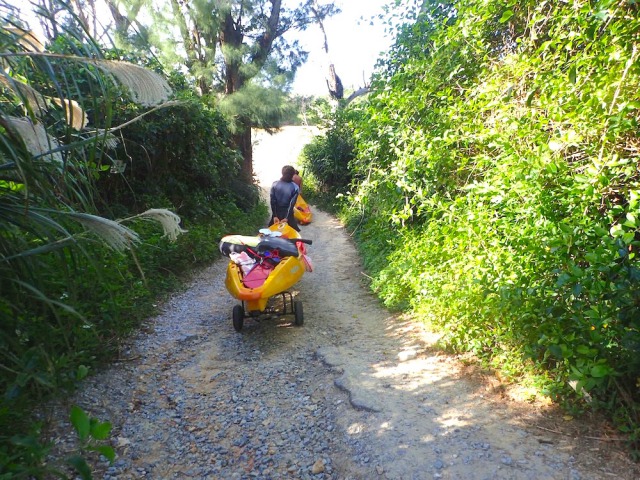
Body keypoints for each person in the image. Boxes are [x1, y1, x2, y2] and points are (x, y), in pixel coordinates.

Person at [269, 165, 300, 231]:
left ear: (282, 173)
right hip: (288, 214)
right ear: (293, 174)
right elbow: (291, 204)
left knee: (272, 234)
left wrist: (275, 216)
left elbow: (272, 201)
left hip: (276, 213)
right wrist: (286, 218)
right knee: (291, 236)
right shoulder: (295, 187)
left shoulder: (275, 184)